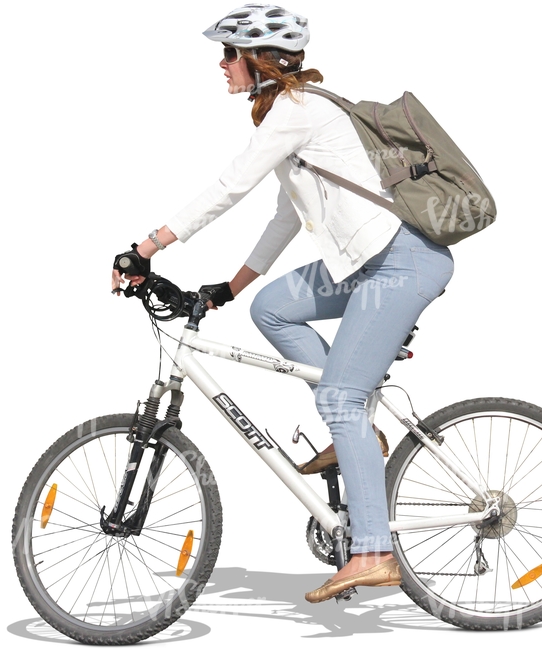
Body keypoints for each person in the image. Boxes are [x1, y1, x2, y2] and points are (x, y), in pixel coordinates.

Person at [112, 3, 454, 603]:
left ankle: (374, 550)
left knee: (340, 395)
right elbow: (284, 214)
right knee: (271, 308)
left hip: (401, 262)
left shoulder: (299, 111)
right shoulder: (289, 117)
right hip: (367, 262)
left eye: (228, 54)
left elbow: (230, 186)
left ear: (258, 59)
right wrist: (231, 286)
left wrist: (145, 248)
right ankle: (358, 432)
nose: (221, 66)